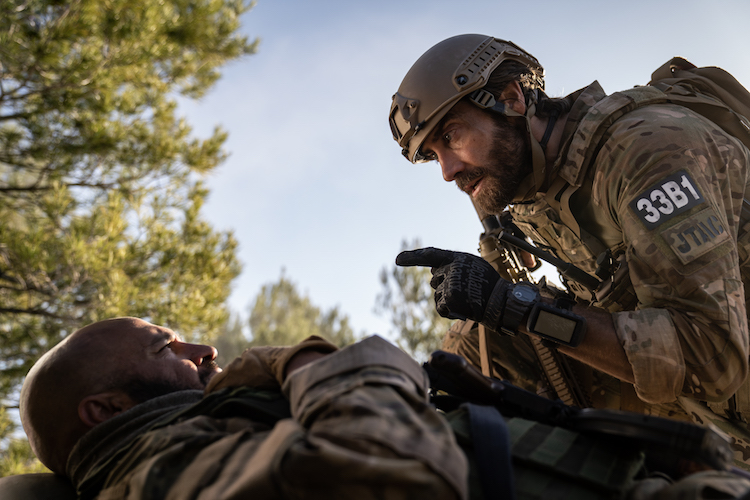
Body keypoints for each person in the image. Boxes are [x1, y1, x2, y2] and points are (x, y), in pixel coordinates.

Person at [388, 34, 750, 468]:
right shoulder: (534, 181)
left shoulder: (646, 153)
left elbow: (711, 358)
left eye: (452, 135)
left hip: (722, 371)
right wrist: (497, 236)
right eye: (433, 155)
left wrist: (516, 305)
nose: (447, 172)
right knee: (471, 352)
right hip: (709, 406)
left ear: (512, 99)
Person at [18, 317, 467, 499]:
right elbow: (396, 469)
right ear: (106, 410)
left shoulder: (188, 444)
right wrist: (303, 363)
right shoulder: (156, 478)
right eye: (165, 349)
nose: (206, 349)